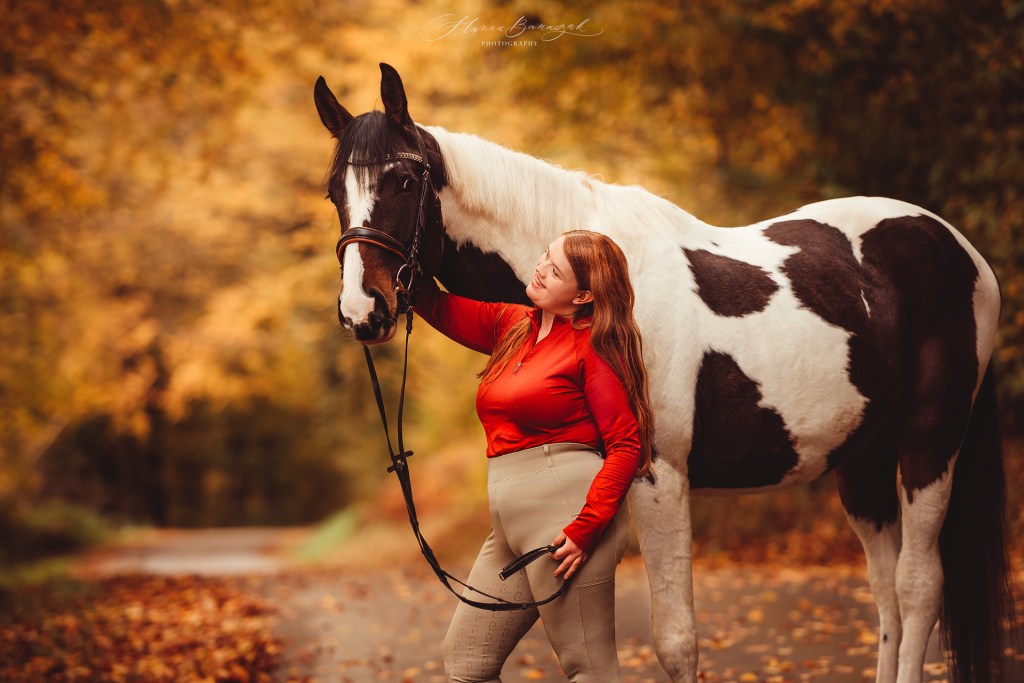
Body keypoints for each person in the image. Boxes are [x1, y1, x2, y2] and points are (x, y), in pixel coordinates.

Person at [413, 229, 654, 683]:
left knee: (590, 669)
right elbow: (436, 304)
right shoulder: (513, 324)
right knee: (468, 663)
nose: (540, 268)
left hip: (566, 522)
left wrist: (586, 529)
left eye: (555, 269)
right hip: (509, 526)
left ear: (583, 294)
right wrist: (380, 254)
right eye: (546, 256)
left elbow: (625, 444)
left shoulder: (593, 347)